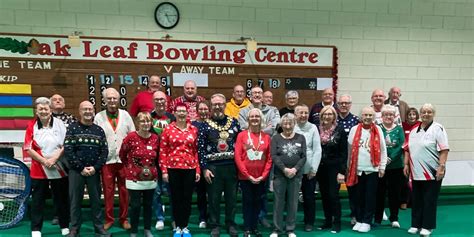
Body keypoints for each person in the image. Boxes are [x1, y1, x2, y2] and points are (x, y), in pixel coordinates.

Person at [24, 97, 70, 237]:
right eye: (40, 109)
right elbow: (28, 148)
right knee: (38, 200)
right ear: (36, 111)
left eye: (46, 108)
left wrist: (55, 158)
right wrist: (44, 161)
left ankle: (64, 225)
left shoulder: (60, 123)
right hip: (39, 169)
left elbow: (65, 144)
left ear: (50, 110)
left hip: (59, 167)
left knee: (61, 199)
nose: (43, 111)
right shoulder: (31, 125)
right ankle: (36, 229)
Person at [64, 101, 110, 237]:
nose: (88, 112)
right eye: (85, 109)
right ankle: (74, 229)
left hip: (94, 172)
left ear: (93, 111)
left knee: (96, 201)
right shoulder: (72, 128)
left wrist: (95, 168)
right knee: (75, 201)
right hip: (76, 171)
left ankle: (99, 228)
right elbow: (68, 150)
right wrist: (81, 168)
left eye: (90, 109)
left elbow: (104, 151)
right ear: (80, 111)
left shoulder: (99, 130)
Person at [198, 94, 241, 237]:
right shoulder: (204, 125)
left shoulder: (234, 123)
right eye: (215, 104)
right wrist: (204, 168)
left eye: (220, 104)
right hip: (213, 168)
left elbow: (240, 146)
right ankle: (215, 225)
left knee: (231, 199)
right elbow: (201, 149)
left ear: (225, 105)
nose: (217, 106)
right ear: (211, 106)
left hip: (231, 167)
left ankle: (230, 223)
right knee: (214, 198)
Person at [404, 104, 449, 237]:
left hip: (432, 171)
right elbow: (407, 149)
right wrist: (406, 165)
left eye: (429, 112)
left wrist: (441, 167)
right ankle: (415, 224)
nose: (426, 114)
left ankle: (427, 226)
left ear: (433, 114)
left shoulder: (438, 128)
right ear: (420, 114)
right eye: (423, 112)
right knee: (417, 199)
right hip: (416, 171)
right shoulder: (413, 130)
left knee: (429, 200)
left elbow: (444, 149)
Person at [238, 86, 280, 227]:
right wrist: (262, 127)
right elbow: (243, 127)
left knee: (263, 192)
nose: (257, 95)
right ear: (250, 95)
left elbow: (274, 127)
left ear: (263, 95)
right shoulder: (243, 111)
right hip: (248, 163)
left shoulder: (273, 110)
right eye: (254, 93)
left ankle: (261, 217)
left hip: (265, 152)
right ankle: (249, 222)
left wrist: (258, 129)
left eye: (259, 93)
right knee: (248, 196)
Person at [94, 88, 135, 230]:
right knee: (108, 191)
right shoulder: (98, 117)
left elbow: (132, 137)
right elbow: (96, 138)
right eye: (109, 98)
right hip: (107, 160)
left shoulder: (126, 115)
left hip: (124, 161)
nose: (112, 101)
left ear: (119, 100)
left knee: (124, 191)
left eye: (114, 98)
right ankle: (109, 218)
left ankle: (124, 218)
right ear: (104, 100)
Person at [160, 103, 200, 237]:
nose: (182, 113)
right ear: (175, 113)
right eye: (179, 111)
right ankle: (177, 227)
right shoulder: (168, 129)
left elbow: (196, 151)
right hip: (173, 168)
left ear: (187, 113)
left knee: (187, 199)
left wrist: (198, 170)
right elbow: (163, 151)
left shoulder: (193, 129)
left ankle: (185, 226)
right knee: (176, 198)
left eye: (184, 111)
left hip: (190, 168)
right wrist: (164, 171)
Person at [346, 106, 387, 233]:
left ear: (373, 117)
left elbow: (383, 149)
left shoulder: (378, 130)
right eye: (365, 115)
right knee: (358, 196)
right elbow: (349, 149)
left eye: (370, 115)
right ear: (361, 116)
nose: (368, 117)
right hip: (356, 169)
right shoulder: (354, 129)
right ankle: (359, 220)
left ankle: (367, 221)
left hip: (372, 169)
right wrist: (348, 167)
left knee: (370, 197)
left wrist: (382, 166)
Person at [119, 112, 159, 237]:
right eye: (142, 121)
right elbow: (122, 155)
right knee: (135, 206)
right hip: (134, 178)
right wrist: (131, 168)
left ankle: (147, 229)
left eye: (148, 121)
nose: (145, 124)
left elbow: (157, 158)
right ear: (137, 123)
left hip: (151, 179)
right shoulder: (130, 137)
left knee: (148, 205)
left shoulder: (155, 138)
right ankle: (134, 230)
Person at [234, 108, 273, 237]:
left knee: (258, 202)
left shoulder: (267, 137)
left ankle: (255, 227)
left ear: (261, 119)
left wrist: (263, 175)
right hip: (246, 177)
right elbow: (238, 157)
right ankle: (247, 228)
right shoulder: (242, 135)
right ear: (248, 119)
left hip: (261, 177)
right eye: (252, 116)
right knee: (248, 202)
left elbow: (269, 158)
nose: (255, 119)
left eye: (257, 116)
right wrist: (247, 175)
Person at [270, 113, 307, 237]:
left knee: (293, 203)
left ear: (294, 124)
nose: (287, 125)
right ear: (281, 125)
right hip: (280, 175)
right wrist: (284, 169)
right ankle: (276, 229)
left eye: (290, 123)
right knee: (278, 203)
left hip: (295, 176)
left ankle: (290, 229)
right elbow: (274, 156)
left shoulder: (301, 138)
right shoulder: (275, 138)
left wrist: (295, 169)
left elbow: (303, 157)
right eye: (285, 123)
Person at [316, 105, 347, 234]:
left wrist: (342, 171)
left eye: (330, 114)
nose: (327, 116)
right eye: (325, 114)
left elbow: (344, 152)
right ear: (321, 116)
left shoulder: (340, 130)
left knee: (333, 195)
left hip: (335, 168)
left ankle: (337, 223)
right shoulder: (317, 129)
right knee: (324, 195)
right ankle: (327, 221)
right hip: (320, 167)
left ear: (334, 116)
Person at [374, 105, 405, 228]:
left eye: (391, 115)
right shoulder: (377, 128)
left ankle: (394, 218)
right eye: (386, 114)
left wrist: (390, 157)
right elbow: (375, 144)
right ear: (382, 116)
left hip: (396, 166)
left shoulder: (398, 129)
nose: (388, 117)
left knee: (394, 193)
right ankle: (377, 218)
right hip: (380, 167)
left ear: (394, 116)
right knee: (379, 193)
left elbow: (401, 145)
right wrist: (383, 158)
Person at [149, 90, 175, 231]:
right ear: (153, 102)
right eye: (157, 99)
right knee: (156, 192)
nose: (160, 102)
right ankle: (160, 218)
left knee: (172, 192)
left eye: (162, 100)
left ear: (166, 102)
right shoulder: (148, 117)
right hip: (153, 162)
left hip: (170, 162)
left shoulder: (172, 118)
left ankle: (174, 219)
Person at [293, 105, 321, 232]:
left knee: (309, 197)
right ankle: (290, 222)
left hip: (308, 170)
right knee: (291, 198)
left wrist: (314, 169)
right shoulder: (290, 126)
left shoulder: (313, 127)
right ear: (295, 114)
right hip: (292, 171)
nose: (303, 115)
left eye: (306, 112)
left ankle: (309, 222)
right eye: (300, 113)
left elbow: (317, 149)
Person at [49, 93, 76, 226]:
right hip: (53, 159)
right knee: (57, 188)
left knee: (70, 188)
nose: (58, 101)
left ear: (64, 104)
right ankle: (58, 215)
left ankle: (71, 214)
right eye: (55, 100)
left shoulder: (71, 118)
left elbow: (75, 136)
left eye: (60, 99)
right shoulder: (45, 118)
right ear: (50, 104)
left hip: (68, 158)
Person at [336, 94, 359, 225]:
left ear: (350, 104)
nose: (344, 105)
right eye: (341, 103)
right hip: (336, 161)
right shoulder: (333, 120)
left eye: (346, 103)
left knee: (353, 191)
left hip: (351, 161)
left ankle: (354, 215)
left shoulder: (356, 120)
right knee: (333, 191)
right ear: (337, 104)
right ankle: (335, 216)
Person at [192, 101, 211, 229]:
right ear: (197, 110)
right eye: (201, 109)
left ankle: (213, 217)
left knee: (213, 193)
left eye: (205, 109)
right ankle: (202, 217)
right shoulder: (192, 125)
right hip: (197, 163)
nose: (203, 111)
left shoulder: (213, 124)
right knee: (201, 193)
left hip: (212, 164)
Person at [400, 107, 420, 209]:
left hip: (417, 157)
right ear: (406, 116)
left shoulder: (421, 126)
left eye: (413, 114)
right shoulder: (403, 126)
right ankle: (404, 201)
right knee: (404, 180)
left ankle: (415, 201)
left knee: (416, 180)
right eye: (409, 115)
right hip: (405, 156)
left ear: (417, 116)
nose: (412, 116)